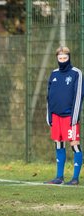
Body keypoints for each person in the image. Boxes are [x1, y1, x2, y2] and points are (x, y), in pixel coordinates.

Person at [45, 46, 83, 185]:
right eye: (60, 58)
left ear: (69, 58)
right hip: (56, 116)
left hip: (69, 117)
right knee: (58, 145)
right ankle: (59, 177)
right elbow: (49, 96)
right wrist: (49, 115)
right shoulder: (53, 74)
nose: (62, 61)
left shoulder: (76, 73)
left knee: (74, 145)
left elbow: (79, 96)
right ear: (57, 59)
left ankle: (75, 178)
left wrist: (74, 117)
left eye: (64, 58)